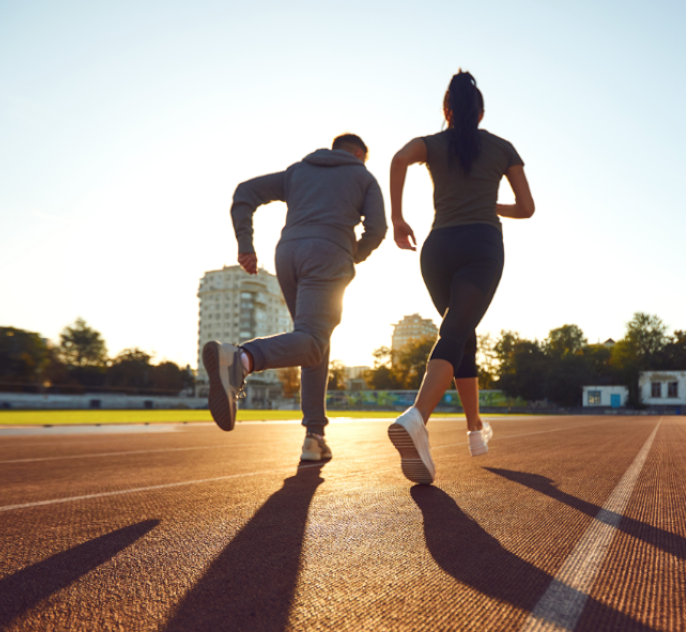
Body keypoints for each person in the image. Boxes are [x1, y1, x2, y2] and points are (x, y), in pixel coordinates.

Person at [386, 71, 535, 484]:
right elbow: (527, 208)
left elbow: (398, 158)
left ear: (446, 110)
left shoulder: (431, 144)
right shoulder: (503, 148)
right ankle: (418, 417)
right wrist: (490, 203)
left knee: (460, 332)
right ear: (482, 111)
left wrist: (398, 220)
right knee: (455, 334)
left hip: (438, 249)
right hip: (481, 245)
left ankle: (474, 430)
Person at [204, 133, 387, 462]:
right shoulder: (363, 176)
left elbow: (245, 192)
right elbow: (377, 228)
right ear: (360, 153)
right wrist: (353, 253)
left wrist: (245, 243)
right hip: (329, 253)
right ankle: (241, 359)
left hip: (288, 253)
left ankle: (314, 437)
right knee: (313, 340)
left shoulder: (297, 171)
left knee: (312, 343)